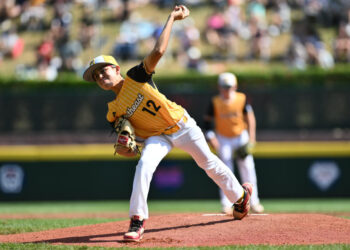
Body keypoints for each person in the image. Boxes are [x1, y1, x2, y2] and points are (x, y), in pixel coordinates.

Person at [82, 5, 252, 242]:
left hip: (182, 125)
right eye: (95, 76)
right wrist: (128, 149)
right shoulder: (112, 112)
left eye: (103, 70)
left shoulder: (135, 77)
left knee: (209, 164)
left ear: (117, 69)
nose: (100, 76)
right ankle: (137, 221)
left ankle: (241, 197)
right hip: (157, 138)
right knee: (143, 167)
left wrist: (172, 17)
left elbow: (159, 50)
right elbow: (130, 148)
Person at [204, 72, 264, 215]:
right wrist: (212, 138)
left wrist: (251, 139)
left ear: (235, 86)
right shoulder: (215, 102)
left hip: (240, 136)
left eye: (229, 87)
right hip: (223, 137)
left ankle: (254, 202)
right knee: (224, 170)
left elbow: (250, 118)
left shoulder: (241, 99)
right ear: (219, 87)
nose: (226, 90)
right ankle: (226, 203)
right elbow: (206, 122)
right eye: (224, 87)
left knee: (248, 167)